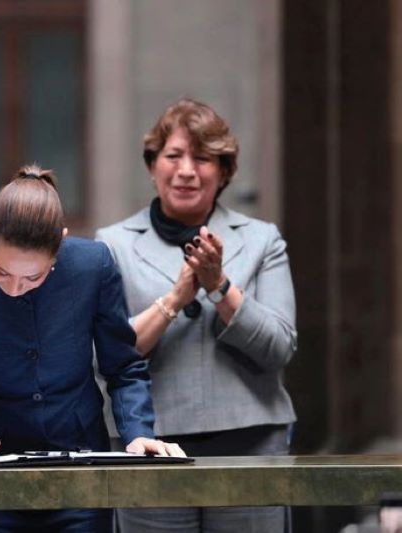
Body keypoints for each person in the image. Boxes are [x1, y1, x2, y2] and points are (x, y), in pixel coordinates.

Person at [0, 164, 185, 533]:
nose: (14, 288)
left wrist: (137, 433)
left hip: (80, 469)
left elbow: (124, 368)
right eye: (1, 272)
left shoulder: (92, 267)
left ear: (61, 243)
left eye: (33, 277)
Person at [96, 98, 297, 532]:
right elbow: (105, 354)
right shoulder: (112, 245)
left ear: (224, 172)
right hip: (150, 444)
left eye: (203, 158)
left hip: (250, 443)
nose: (186, 170)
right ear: (152, 165)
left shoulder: (262, 240)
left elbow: (280, 347)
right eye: (173, 156)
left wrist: (220, 287)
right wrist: (174, 299)